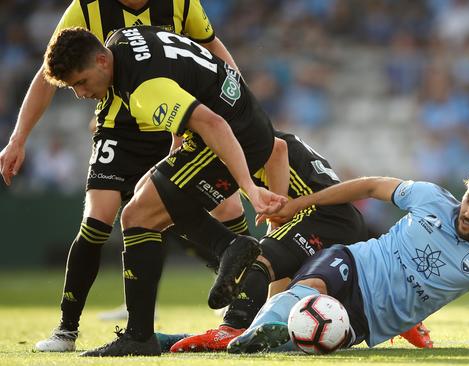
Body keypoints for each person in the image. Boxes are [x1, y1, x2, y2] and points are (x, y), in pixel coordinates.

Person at [0, 0, 254, 354]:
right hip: (119, 129)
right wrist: (18, 137)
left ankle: (244, 310)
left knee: (226, 208)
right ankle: (67, 329)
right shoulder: (87, 9)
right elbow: (50, 73)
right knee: (98, 219)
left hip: (178, 121)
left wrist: (239, 100)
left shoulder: (182, 3)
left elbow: (212, 49)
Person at [42, 26, 287, 356]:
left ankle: (140, 335)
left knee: (137, 215)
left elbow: (213, 124)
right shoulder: (122, 38)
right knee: (147, 196)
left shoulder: (143, 89)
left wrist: (250, 188)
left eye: (81, 81)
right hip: (241, 118)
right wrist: (174, 152)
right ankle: (227, 246)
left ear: (101, 60)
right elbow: (181, 79)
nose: (81, 93)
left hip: (235, 135)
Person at [164, 131, 433, 352]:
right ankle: (402, 319)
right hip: (336, 217)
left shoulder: (232, 135)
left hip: (321, 214)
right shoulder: (243, 129)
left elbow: (277, 149)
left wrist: (277, 210)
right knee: (277, 293)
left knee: (255, 260)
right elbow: (228, 207)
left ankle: (230, 329)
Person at [224, 164, 469, 353]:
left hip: (369, 318)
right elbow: (369, 185)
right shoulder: (429, 197)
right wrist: (299, 205)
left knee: (313, 337)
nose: (468, 212)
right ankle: (248, 336)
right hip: (354, 262)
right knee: (311, 287)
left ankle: (258, 338)